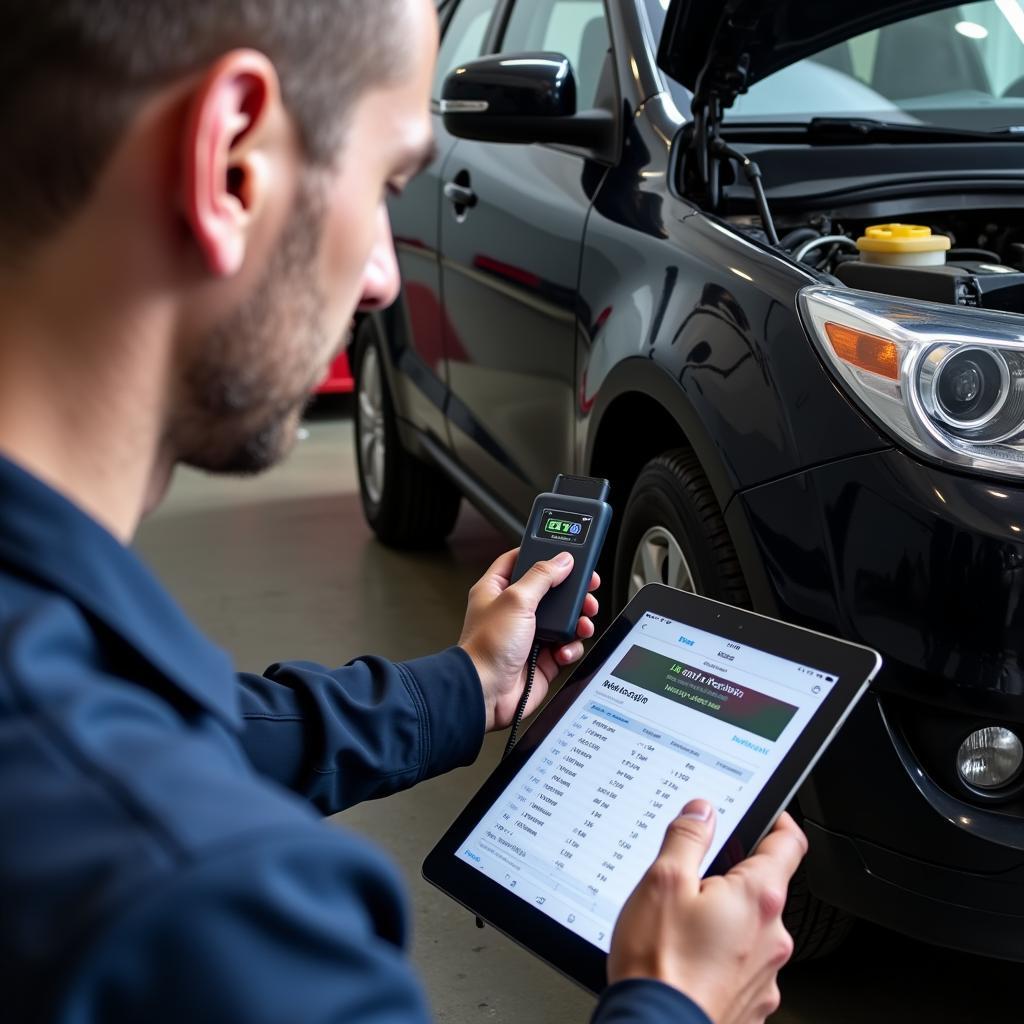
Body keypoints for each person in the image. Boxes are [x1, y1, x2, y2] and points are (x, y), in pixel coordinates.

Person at [0, 1, 807, 1022]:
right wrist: (675, 1003)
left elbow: (189, 730)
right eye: (386, 182)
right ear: (229, 164)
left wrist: (464, 688)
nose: (383, 275)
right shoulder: (203, 911)